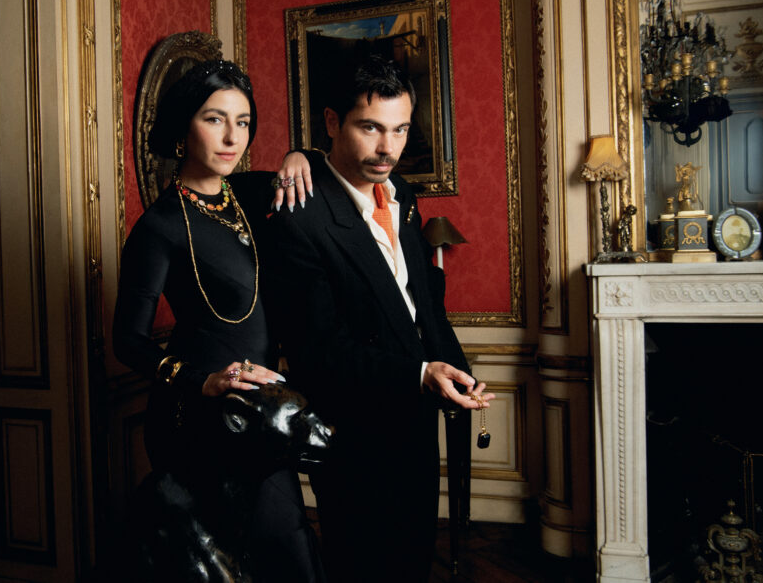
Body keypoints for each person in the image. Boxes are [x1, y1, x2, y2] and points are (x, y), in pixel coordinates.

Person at [267, 55, 494, 583]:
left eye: (400, 129)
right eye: (370, 128)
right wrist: (420, 373)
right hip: (354, 434)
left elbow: (423, 306)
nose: (388, 147)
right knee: (364, 566)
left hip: (415, 418)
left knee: (413, 560)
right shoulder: (298, 216)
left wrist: (457, 372)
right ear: (331, 122)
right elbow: (318, 351)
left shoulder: (402, 194)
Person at [112, 59, 323, 582]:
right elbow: (127, 340)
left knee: (291, 550)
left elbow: (314, 171)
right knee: (224, 565)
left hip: (259, 410)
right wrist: (201, 381)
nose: (233, 138)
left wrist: (299, 154)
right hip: (199, 414)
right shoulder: (159, 226)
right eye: (214, 119)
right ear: (184, 126)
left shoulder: (248, 193)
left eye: (243, 122)